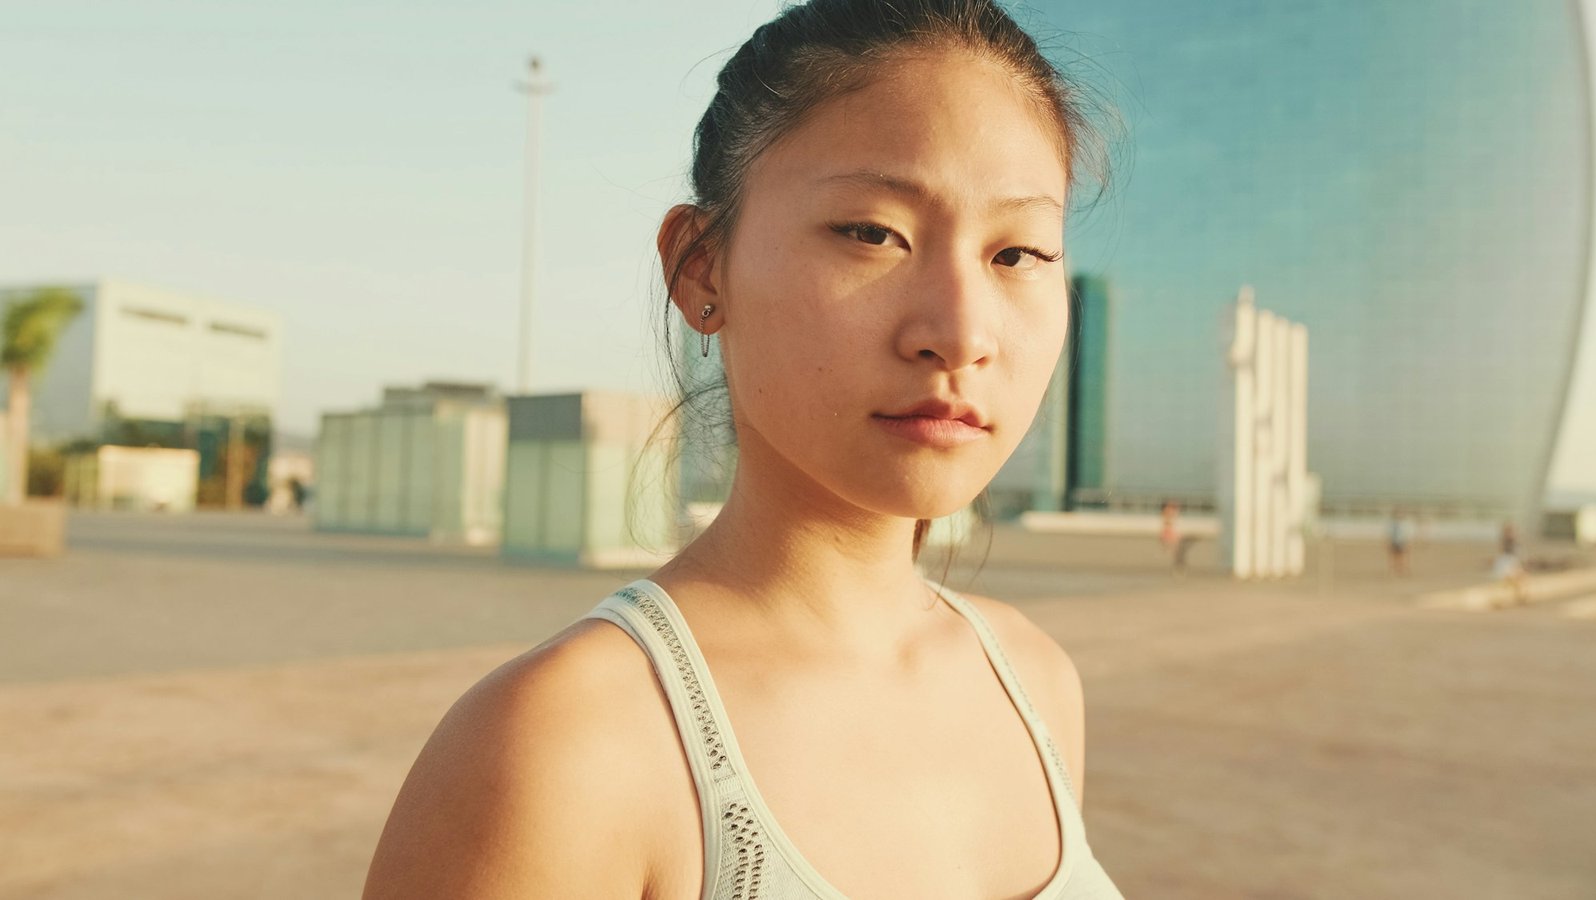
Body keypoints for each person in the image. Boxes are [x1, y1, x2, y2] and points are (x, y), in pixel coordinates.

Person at [364, 2, 1123, 897]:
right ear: (700, 269)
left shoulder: (1035, 684)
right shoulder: (572, 745)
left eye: (1020, 253)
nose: (959, 332)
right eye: (873, 233)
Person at [1493, 520, 1530, 607]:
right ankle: (1501, 599)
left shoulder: (1509, 541)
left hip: (1508, 562)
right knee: (1513, 581)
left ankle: (1519, 598)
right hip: (1508, 562)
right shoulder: (1509, 541)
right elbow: (1515, 553)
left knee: (1515, 581)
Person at [1386, 508, 1412, 577]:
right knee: (1394, 557)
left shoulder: (1404, 523)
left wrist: (1408, 543)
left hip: (1401, 542)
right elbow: (1389, 534)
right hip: (1394, 542)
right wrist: (1388, 542)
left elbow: (1406, 534)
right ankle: (1393, 570)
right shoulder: (1392, 523)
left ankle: (1402, 570)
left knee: (1402, 556)